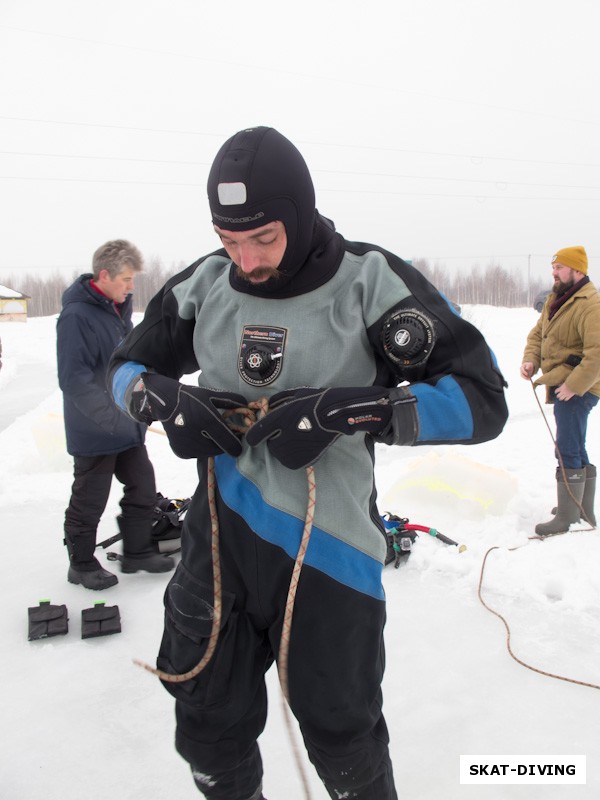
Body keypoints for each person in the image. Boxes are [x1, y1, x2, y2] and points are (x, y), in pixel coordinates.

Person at [108, 127, 508, 800]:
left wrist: (359, 411)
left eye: (263, 238)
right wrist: (161, 402)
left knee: (342, 738)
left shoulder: (367, 281)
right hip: (219, 549)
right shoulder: (205, 283)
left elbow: (482, 400)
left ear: (299, 212)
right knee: (207, 726)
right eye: (230, 239)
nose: (247, 258)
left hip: (330, 554)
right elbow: (124, 369)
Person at [56, 239, 175, 590]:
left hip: (125, 425)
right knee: (90, 497)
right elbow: (73, 379)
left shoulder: (116, 310)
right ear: (104, 275)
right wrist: (109, 418)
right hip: (95, 429)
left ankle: (137, 551)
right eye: (126, 279)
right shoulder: (76, 316)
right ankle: (80, 563)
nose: (130, 286)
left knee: (143, 485)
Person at [521, 245, 600, 535]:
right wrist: (531, 360)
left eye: (559, 267)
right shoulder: (559, 298)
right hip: (564, 383)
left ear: (576, 270)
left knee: (567, 446)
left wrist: (573, 386)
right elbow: (538, 334)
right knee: (574, 444)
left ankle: (568, 516)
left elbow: (597, 354)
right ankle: (579, 508)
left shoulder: (591, 304)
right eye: (553, 267)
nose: (553, 272)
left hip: (580, 387)